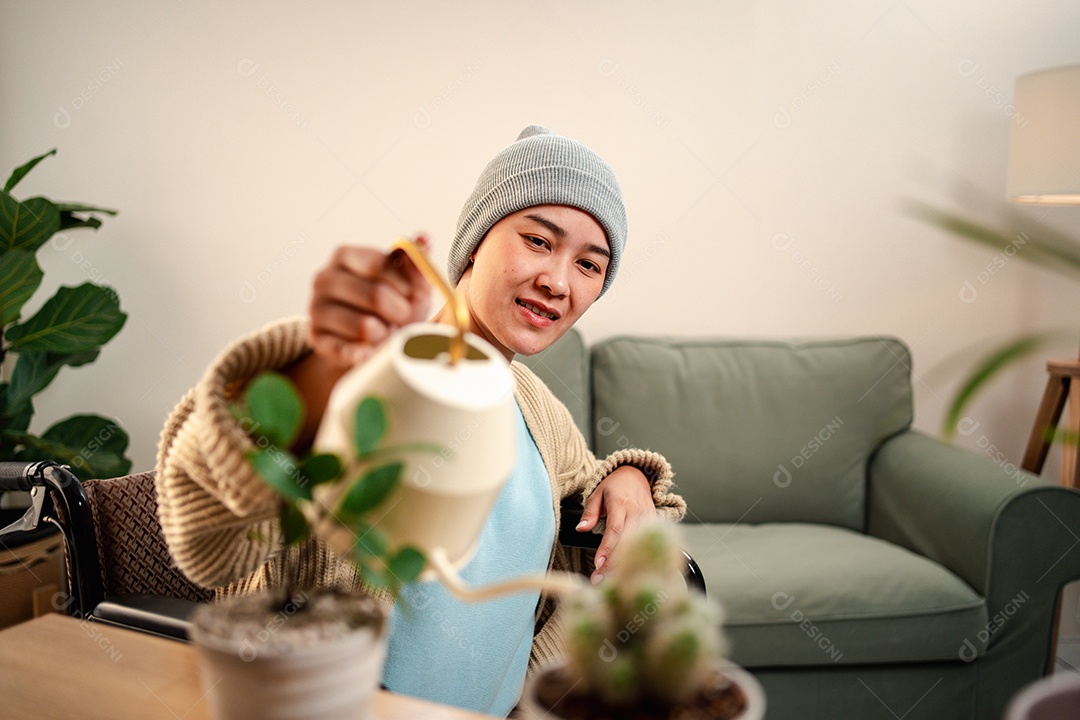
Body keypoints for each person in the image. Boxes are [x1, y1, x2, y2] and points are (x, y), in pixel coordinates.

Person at [155, 125, 686, 718]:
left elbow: (619, 524)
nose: (558, 281)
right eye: (538, 241)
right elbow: (205, 540)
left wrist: (631, 478)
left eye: (589, 265)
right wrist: (321, 373)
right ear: (476, 241)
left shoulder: (539, 412)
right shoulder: (364, 374)